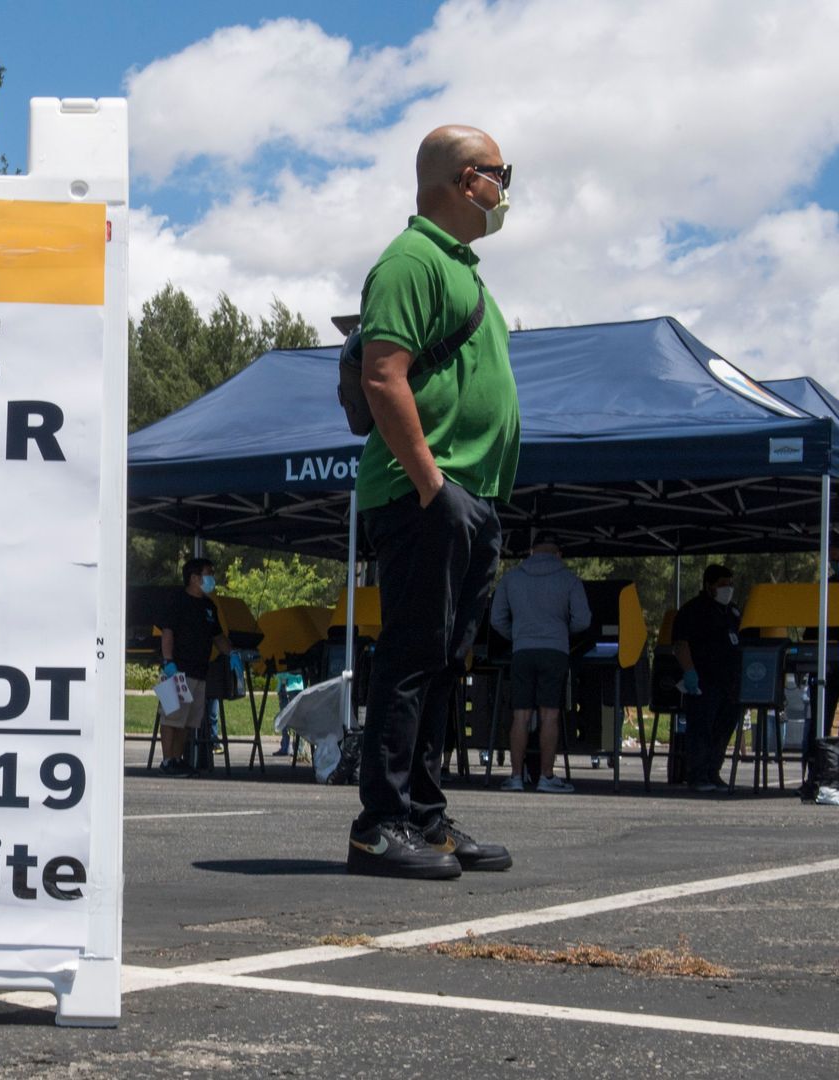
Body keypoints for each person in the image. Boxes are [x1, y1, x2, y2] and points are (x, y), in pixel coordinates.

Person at [347, 125, 520, 879]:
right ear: (460, 179)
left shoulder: (461, 270)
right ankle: (378, 824)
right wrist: (432, 486)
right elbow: (383, 375)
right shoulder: (412, 260)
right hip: (429, 493)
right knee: (413, 658)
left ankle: (422, 813)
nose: (505, 190)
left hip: (466, 497)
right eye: (499, 174)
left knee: (444, 661)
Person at [490, 535, 590, 792]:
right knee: (550, 715)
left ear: (531, 551)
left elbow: (496, 618)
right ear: (558, 553)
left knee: (520, 715)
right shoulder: (569, 579)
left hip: (522, 650)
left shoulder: (512, 578)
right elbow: (583, 620)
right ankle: (546, 776)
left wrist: (517, 633)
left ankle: (515, 776)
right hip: (555, 651)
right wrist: (561, 631)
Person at [672, 564, 743, 794]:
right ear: (709, 585)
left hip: (729, 684)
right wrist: (689, 672)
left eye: (731, 584)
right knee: (701, 730)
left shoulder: (733, 612)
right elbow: (681, 644)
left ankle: (713, 771)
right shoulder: (693, 610)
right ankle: (697, 774)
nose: (728, 589)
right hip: (704, 682)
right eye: (723, 585)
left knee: (722, 730)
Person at [157, 558, 230, 776]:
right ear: (194, 578)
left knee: (187, 722)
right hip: (177, 671)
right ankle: (167, 760)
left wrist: (234, 653)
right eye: (208, 574)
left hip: (200, 672)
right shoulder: (177, 601)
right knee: (171, 717)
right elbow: (167, 632)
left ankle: (178, 759)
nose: (212, 578)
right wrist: (168, 661)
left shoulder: (209, 606)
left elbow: (218, 636)